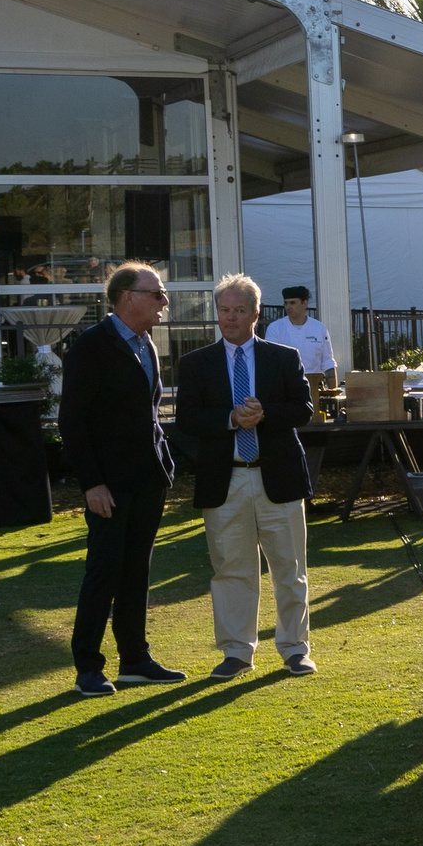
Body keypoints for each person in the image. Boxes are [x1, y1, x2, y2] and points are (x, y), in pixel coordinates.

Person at [176, 274, 317, 679]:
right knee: (231, 570)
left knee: (290, 570)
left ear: (256, 313)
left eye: (240, 311)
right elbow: (186, 419)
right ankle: (236, 651)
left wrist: (264, 412)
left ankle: (295, 649)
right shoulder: (196, 363)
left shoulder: (283, 357)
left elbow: (303, 410)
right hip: (227, 480)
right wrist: (230, 418)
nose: (231, 318)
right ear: (216, 314)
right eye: (224, 311)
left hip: (278, 477)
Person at [58, 262, 182, 697]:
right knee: (104, 571)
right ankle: (88, 667)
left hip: (148, 477)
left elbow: (147, 415)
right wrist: (92, 483)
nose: (164, 301)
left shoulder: (146, 343)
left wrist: (164, 466)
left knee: (136, 571)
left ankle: (134, 659)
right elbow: (72, 423)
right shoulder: (91, 346)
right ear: (127, 297)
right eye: (157, 293)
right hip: (109, 485)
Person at [263, 285, 337, 382]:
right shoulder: (275, 328)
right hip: (286, 384)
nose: (288, 307)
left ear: (304, 303)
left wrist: (333, 391)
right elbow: (271, 361)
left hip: (315, 384)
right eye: (286, 303)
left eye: (293, 303)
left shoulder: (319, 328)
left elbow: (328, 362)